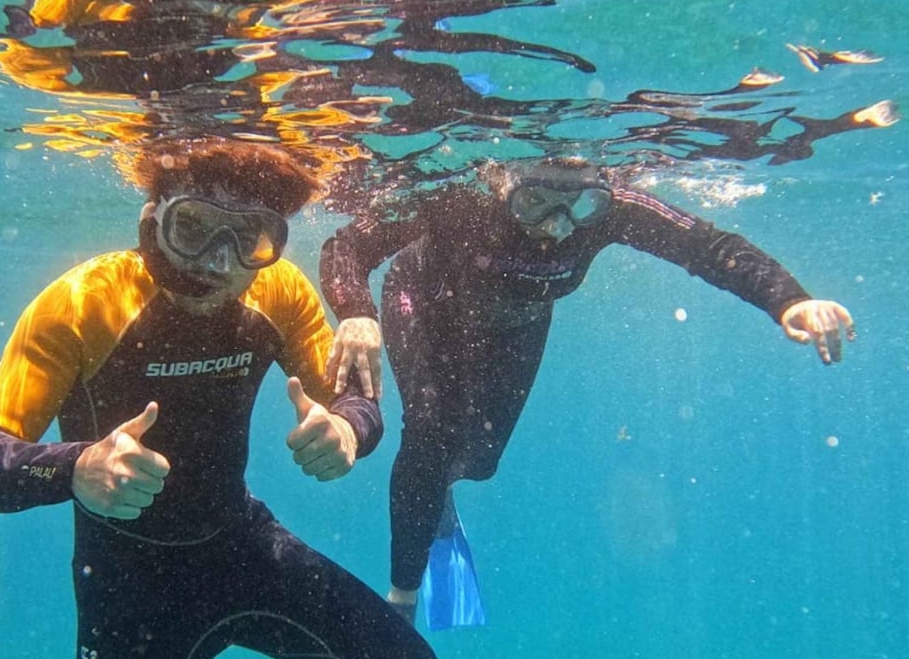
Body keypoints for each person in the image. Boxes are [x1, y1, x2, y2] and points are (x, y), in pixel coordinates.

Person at [0, 141, 446, 659]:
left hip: (239, 550)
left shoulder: (278, 290)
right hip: (126, 597)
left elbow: (353, 399)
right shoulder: (82, 302)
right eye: (192, 228)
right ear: (153, 219)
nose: (217, 261)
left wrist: (349, 430)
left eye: (250, 239)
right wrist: (77, 466)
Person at [319, 155, 856, 623]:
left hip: (518, 323)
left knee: (479, 461)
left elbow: (707, 247)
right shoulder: (458, 197)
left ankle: (435, 496)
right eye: (535, 202)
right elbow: (348, 244)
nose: (557, 226)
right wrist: (356, 314)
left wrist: (789, 300)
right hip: (425, 304)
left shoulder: (617, 211)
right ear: (498, 182)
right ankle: (401, 600)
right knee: (433, 432)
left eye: (581, 207)